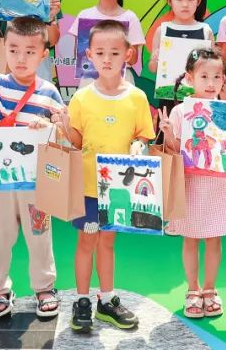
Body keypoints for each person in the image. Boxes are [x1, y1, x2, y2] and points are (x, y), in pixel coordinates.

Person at [56, 20, 155, 333]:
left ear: (128, 54)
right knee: (87, 240)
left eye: (115, 52)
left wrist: (140, 145)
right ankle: (82, 300)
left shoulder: (137, 97)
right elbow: (77, 141)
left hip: (118, 189)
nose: (107, 59)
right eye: (100, 53)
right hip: (88, 188)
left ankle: (107, 300)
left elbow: (143, 136)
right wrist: (64, 127)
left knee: (108, 242)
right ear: (89, 55)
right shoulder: (82, 98)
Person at [0, 16, 64, 320]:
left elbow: (64, 134)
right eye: (13, 50)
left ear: (44, 54)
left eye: (30, 52)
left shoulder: (50, 92)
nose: (21, 58)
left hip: (36, 182)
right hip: (0, 181)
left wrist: (50, 126)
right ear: (3, 49)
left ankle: (44, 288)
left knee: (40, 234)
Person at [160, 46, 226, 319]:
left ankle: (210, 289)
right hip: (190, 184)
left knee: (214, 239)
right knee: (190, 239)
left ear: (223, 79)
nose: (211, 83)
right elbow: (175, 148)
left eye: (217, 77)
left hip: (219, 185)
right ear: (190, 78)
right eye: (204, 77)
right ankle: (192, 289)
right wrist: (168, 133)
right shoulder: (181, 111)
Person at [147, 0, 213, 140]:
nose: (185, 4)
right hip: (169, 99)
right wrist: (155, 58)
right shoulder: (162, 30)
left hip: (198, 100)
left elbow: (212, 66)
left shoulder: (205, 30)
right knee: (167, 142)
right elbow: (153, 69)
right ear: (169, 1)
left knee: (197, 140)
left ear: (198, 1)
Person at [67, 0, 145, 87]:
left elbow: (133, 60)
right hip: (90, 82)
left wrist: (121, 44)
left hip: (121, 82)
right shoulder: (85, 15)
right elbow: (80, 54)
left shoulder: (130, 18)